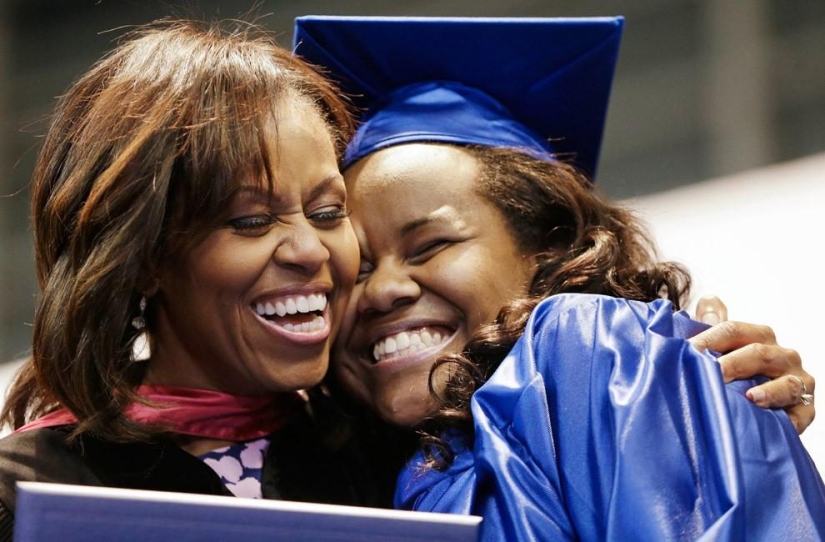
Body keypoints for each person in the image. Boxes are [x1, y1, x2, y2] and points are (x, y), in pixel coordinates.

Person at [294, 16, 825, 539]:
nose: (383, 289)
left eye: (431, 246)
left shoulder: (592, 346)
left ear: (550, 246)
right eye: (355, 269)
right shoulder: (373, 466)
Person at [0, 18, 377, 538]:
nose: (310, 249)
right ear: (146, 256)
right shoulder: (32, 491)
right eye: (251, 221)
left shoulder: (382, 453)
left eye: (329, 211)